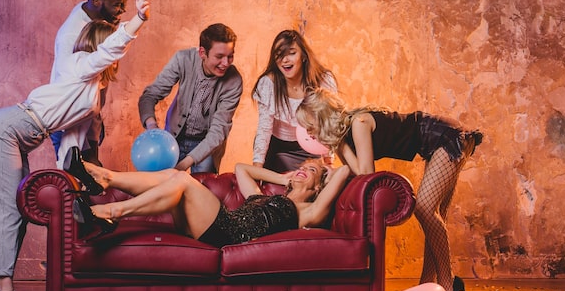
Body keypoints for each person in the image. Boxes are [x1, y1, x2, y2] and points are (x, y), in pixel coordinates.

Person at [0, 0, 151, 291]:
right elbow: (109, 51)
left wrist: (69, 186)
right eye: (112, 52)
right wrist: (138, 20)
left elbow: (70, 147)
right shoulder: (79, 67)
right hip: (4, 131)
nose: (117, 60)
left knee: (17, 211)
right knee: (8, 212)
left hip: (12, 136)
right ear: (102, 48)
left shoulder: (90, 93)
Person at [295, 87, 483, 291]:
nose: (308, 133)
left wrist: (342, 148)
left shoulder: (359, 123)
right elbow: (357, 176)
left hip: (445, 135)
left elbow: (366, 173)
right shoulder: (343, 141)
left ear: (322, 118)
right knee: (434, 217)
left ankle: (448, 283)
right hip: (434, 144)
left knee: (424, 209)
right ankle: (428, 283)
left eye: (310, 126)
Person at [67, 154, 352, 247]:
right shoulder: (261, 197)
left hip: (229, 233)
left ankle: (110, 212)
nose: (304, 169)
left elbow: (345, 171)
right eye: (303, 166)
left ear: (318, 186)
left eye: (311, 171)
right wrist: (282, 178)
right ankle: (105, 177)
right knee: (172, 174)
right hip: (217, 225)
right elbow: (242, 168)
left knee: (181, 179)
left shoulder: (307, 211)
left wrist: (326, 168)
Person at [138, 23, 243, 173]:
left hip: (207, 146)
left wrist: (182, 166)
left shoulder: (234, 81)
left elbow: (218, 131)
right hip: (173, 138)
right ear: (202, 53)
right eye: (219, 57)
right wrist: (152, 128)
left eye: (230, 56)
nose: (226, 63)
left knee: (201, 186)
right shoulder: (183, 59)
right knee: (163, 184)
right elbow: (150, 95)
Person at [50, 0, 129, 166]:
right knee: (78, 177)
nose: (122, 10)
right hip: (70, 121)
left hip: (89, 117)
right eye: (117, 5)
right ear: (96, 0)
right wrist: (86, 147)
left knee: (93, 173)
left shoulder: (93, 15)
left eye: (123, 4)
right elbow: (67, 85)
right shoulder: (72, 34)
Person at [251, 29, 337, 172]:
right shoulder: (268, 84)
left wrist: (328, 161)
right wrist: (257, 170)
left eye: (291, 53)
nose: (285, 60)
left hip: (310, 145)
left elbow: (327, 124)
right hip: (277, 147)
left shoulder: (323, 80)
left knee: (313, 181)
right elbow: (264, 129)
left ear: (303, 56)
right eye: (279, 54)